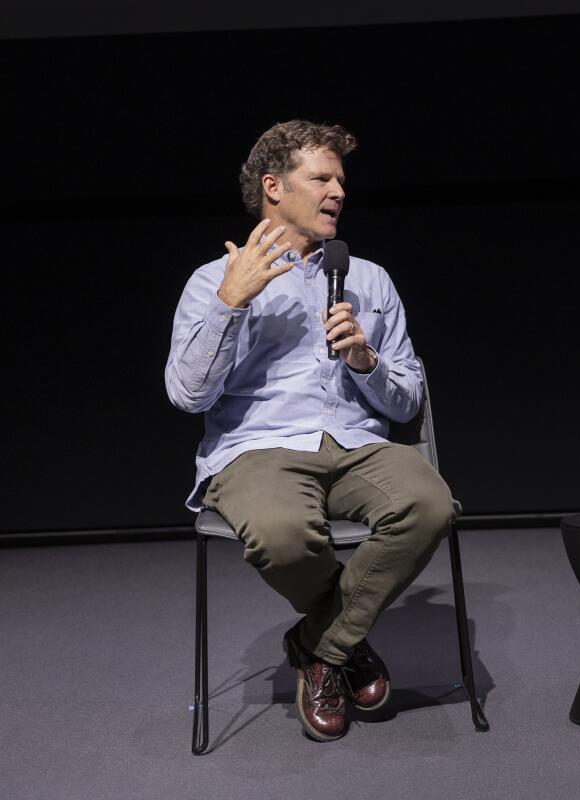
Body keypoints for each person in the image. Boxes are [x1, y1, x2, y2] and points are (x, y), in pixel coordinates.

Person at [166, 120, 454, 742]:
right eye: (320, 178)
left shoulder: (370, 280)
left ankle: (319, 646)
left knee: (429, 503)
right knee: (281, 534)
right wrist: (230, 304)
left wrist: (365, 362)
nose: (337, 191)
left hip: (355, 445)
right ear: (274, 187)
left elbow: (406, 401)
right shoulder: (211, 281)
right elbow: (188, 395)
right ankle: (346, 645)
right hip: (259, 450)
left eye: (341, 180)